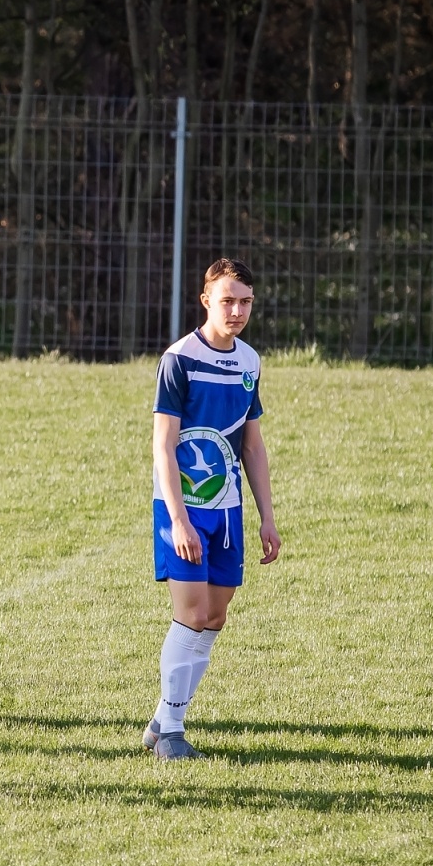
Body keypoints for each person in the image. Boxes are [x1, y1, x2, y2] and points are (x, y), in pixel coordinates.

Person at [143, 258, 281, 760]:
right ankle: (173, 733)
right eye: (228, 300)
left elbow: (253, 445)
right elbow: (163, 444)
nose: (238, 310)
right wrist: (178, 519)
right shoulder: (179, 358)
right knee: (192, 613)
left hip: (228, 511)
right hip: (182, 506)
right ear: (206, 301)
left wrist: (267, 516)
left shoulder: (249, 361)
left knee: (216, 616)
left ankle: (162, 718)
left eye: (245, 301)